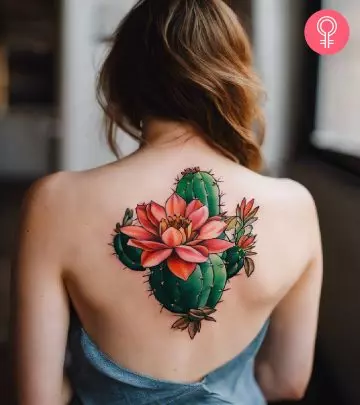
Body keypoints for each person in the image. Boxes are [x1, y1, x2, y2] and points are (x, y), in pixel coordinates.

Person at [11, 0, 323, 404]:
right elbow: (286, 382)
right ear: (233, 77)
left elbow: (38, 398)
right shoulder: (296, 206)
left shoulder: (53, 202)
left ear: (123, 81)